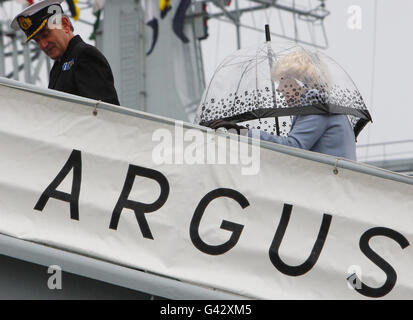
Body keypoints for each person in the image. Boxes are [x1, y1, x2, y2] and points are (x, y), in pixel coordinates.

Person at [209, 50, 357, 161]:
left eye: (282, 80)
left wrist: (244, 132)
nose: (279, 89)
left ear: (299, 81)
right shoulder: (323, 105)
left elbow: (294, 147)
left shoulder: (316, 105)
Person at [11, 0, 120, 105]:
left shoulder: (85, 55)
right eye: (37, 40)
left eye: (46, 35)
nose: (43, 45)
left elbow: (104, 115)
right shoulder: (58, 67)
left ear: (65, 24)